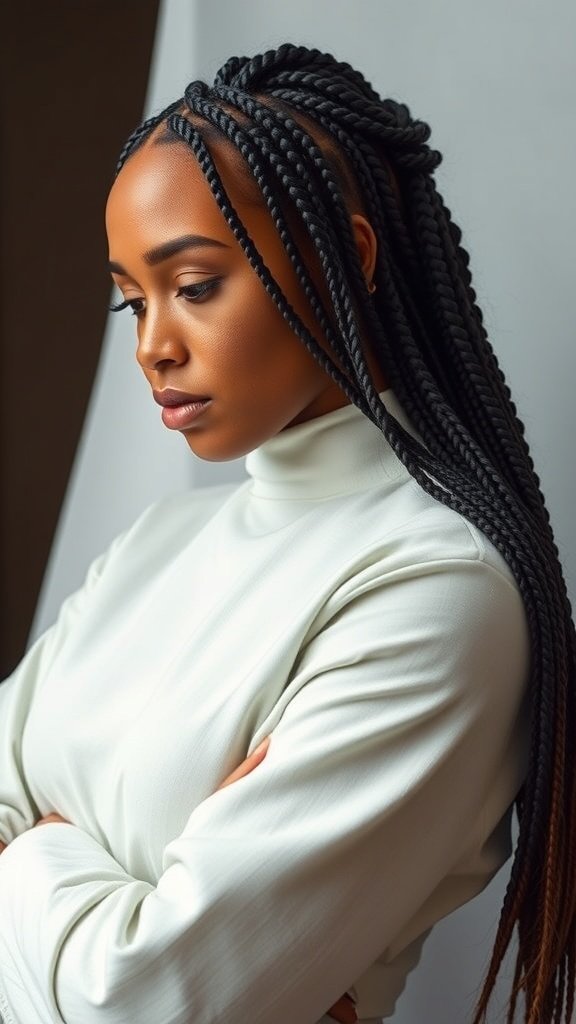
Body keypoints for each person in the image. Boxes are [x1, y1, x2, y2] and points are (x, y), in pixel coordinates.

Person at [0, 41, 574, 1024]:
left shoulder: (439, 589)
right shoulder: (156, 543)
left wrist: (29, 841)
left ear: (344, 256)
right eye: (130, 299)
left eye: (194, 284)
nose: (152, 345)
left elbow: (141, 1003)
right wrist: (112, 898)